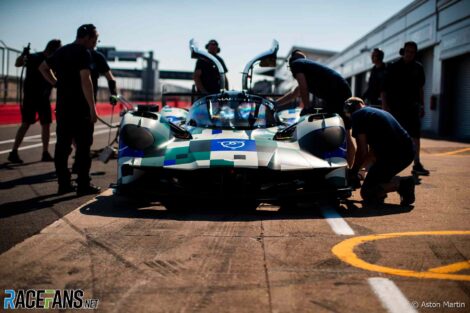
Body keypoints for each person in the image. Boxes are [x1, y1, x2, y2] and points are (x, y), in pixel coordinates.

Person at [39, 24, 101, 196]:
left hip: (63, 107)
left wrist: (56, 83)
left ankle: (64, 183)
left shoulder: (61, 51)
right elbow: (85, 80)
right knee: (83, 147)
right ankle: (82, 185)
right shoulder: (83, 52)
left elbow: (43, 68)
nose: (95, 43)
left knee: (62, 146)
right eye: (95, 39)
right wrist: (92, 108)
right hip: (80, 108)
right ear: (87, 37)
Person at [276, 50, 355, 166]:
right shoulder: (308, 69)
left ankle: (343, 167)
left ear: (290, 62)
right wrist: (275, 103)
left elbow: (303, 87)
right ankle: (350, 167)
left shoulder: (296, 64)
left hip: (336, 93)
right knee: (346, 131)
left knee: (337, 130)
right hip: (341, 90)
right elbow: (294, 93)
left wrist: (307, 107)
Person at [345, 97, 415, 206]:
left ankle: (403, 184)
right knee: (376, 180)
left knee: (367, 192)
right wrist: (361, 172)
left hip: (394, 155)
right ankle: (386, 188)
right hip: (408, 152)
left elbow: (362, 151)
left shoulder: (358, 116)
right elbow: (372, 155)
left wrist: (353, 172)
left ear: (348, 108)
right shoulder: (375, 113)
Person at [8, 39, 62, 164]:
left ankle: (45, 152)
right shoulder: (34, 57)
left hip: (44, 98)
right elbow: (17, 63)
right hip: (31, 97)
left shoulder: (52, 60)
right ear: (52, 49)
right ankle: (14, 151)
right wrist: (23, 55)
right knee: (26, 123)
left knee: (46, 124)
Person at [381, 41, 429, 176]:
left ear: (415, 53)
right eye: (407, 51)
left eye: (412, 52)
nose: (409, 54)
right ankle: (389, 164)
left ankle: (417, 163)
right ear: (403, 51)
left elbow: (420, 88)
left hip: (412, 107)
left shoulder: (418, 68)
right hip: (395, 109)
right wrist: (385, 108)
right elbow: (383, 89)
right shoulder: (393, 67)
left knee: (415, 136)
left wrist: (422, 105)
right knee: (394, 136)